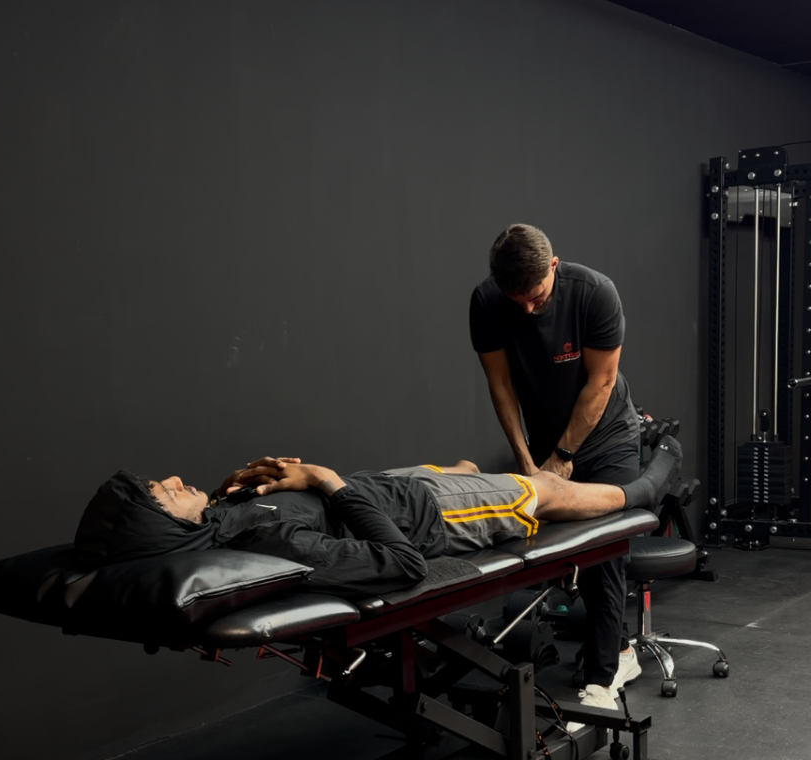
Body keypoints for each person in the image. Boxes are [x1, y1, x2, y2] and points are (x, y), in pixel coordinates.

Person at [74, 444, 680, 648]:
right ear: (164, 529)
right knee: (545, 490)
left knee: (466, 462)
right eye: (166, 493)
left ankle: (461, 468)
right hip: (432, 516)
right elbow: (401, 565)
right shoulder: (270, 541)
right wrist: (323, 479)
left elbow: (305, 506)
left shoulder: (223, 518)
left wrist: (271, 475)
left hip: (392, 486)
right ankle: (645, 490)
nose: (179, 481)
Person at [470, 223, 647, 703]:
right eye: (517, 299)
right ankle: (622, 648)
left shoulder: (594, 293)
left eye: (536, 295)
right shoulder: (487, 302)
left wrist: (563, 458)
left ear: (553, 266)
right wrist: (528, 461)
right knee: (565, 552)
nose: (527, 308)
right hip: (545, 441)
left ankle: (602, 679)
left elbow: (601, 382)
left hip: (607, 437)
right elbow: (501, 386)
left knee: (604, 550)